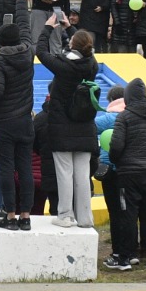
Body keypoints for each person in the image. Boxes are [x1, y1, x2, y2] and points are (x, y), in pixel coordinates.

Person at [37, 12, 98, 229]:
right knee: (82, 175)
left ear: (73, 45)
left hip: (62, 128)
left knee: (64, 173)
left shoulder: (64, 67)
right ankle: (85, 217)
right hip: (85, 127)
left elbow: (41, 52)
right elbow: (85, 49)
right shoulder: (92, 66)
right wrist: (70, 29)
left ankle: (65, 214)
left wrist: (48, 28)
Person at [0, 0, 36, 231]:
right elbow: (23, 26)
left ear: (0, 43)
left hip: (3, 123)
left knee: (5, 169)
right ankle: (26, 216)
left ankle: (11, 216)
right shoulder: (28, 51)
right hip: (25, 120)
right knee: (25, 167)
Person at [108, 79, 146, 267]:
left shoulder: (125, 117)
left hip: (129, 173)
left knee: (128, 214)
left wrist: (116, 160)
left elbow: (116, 145)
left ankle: (125, 257)